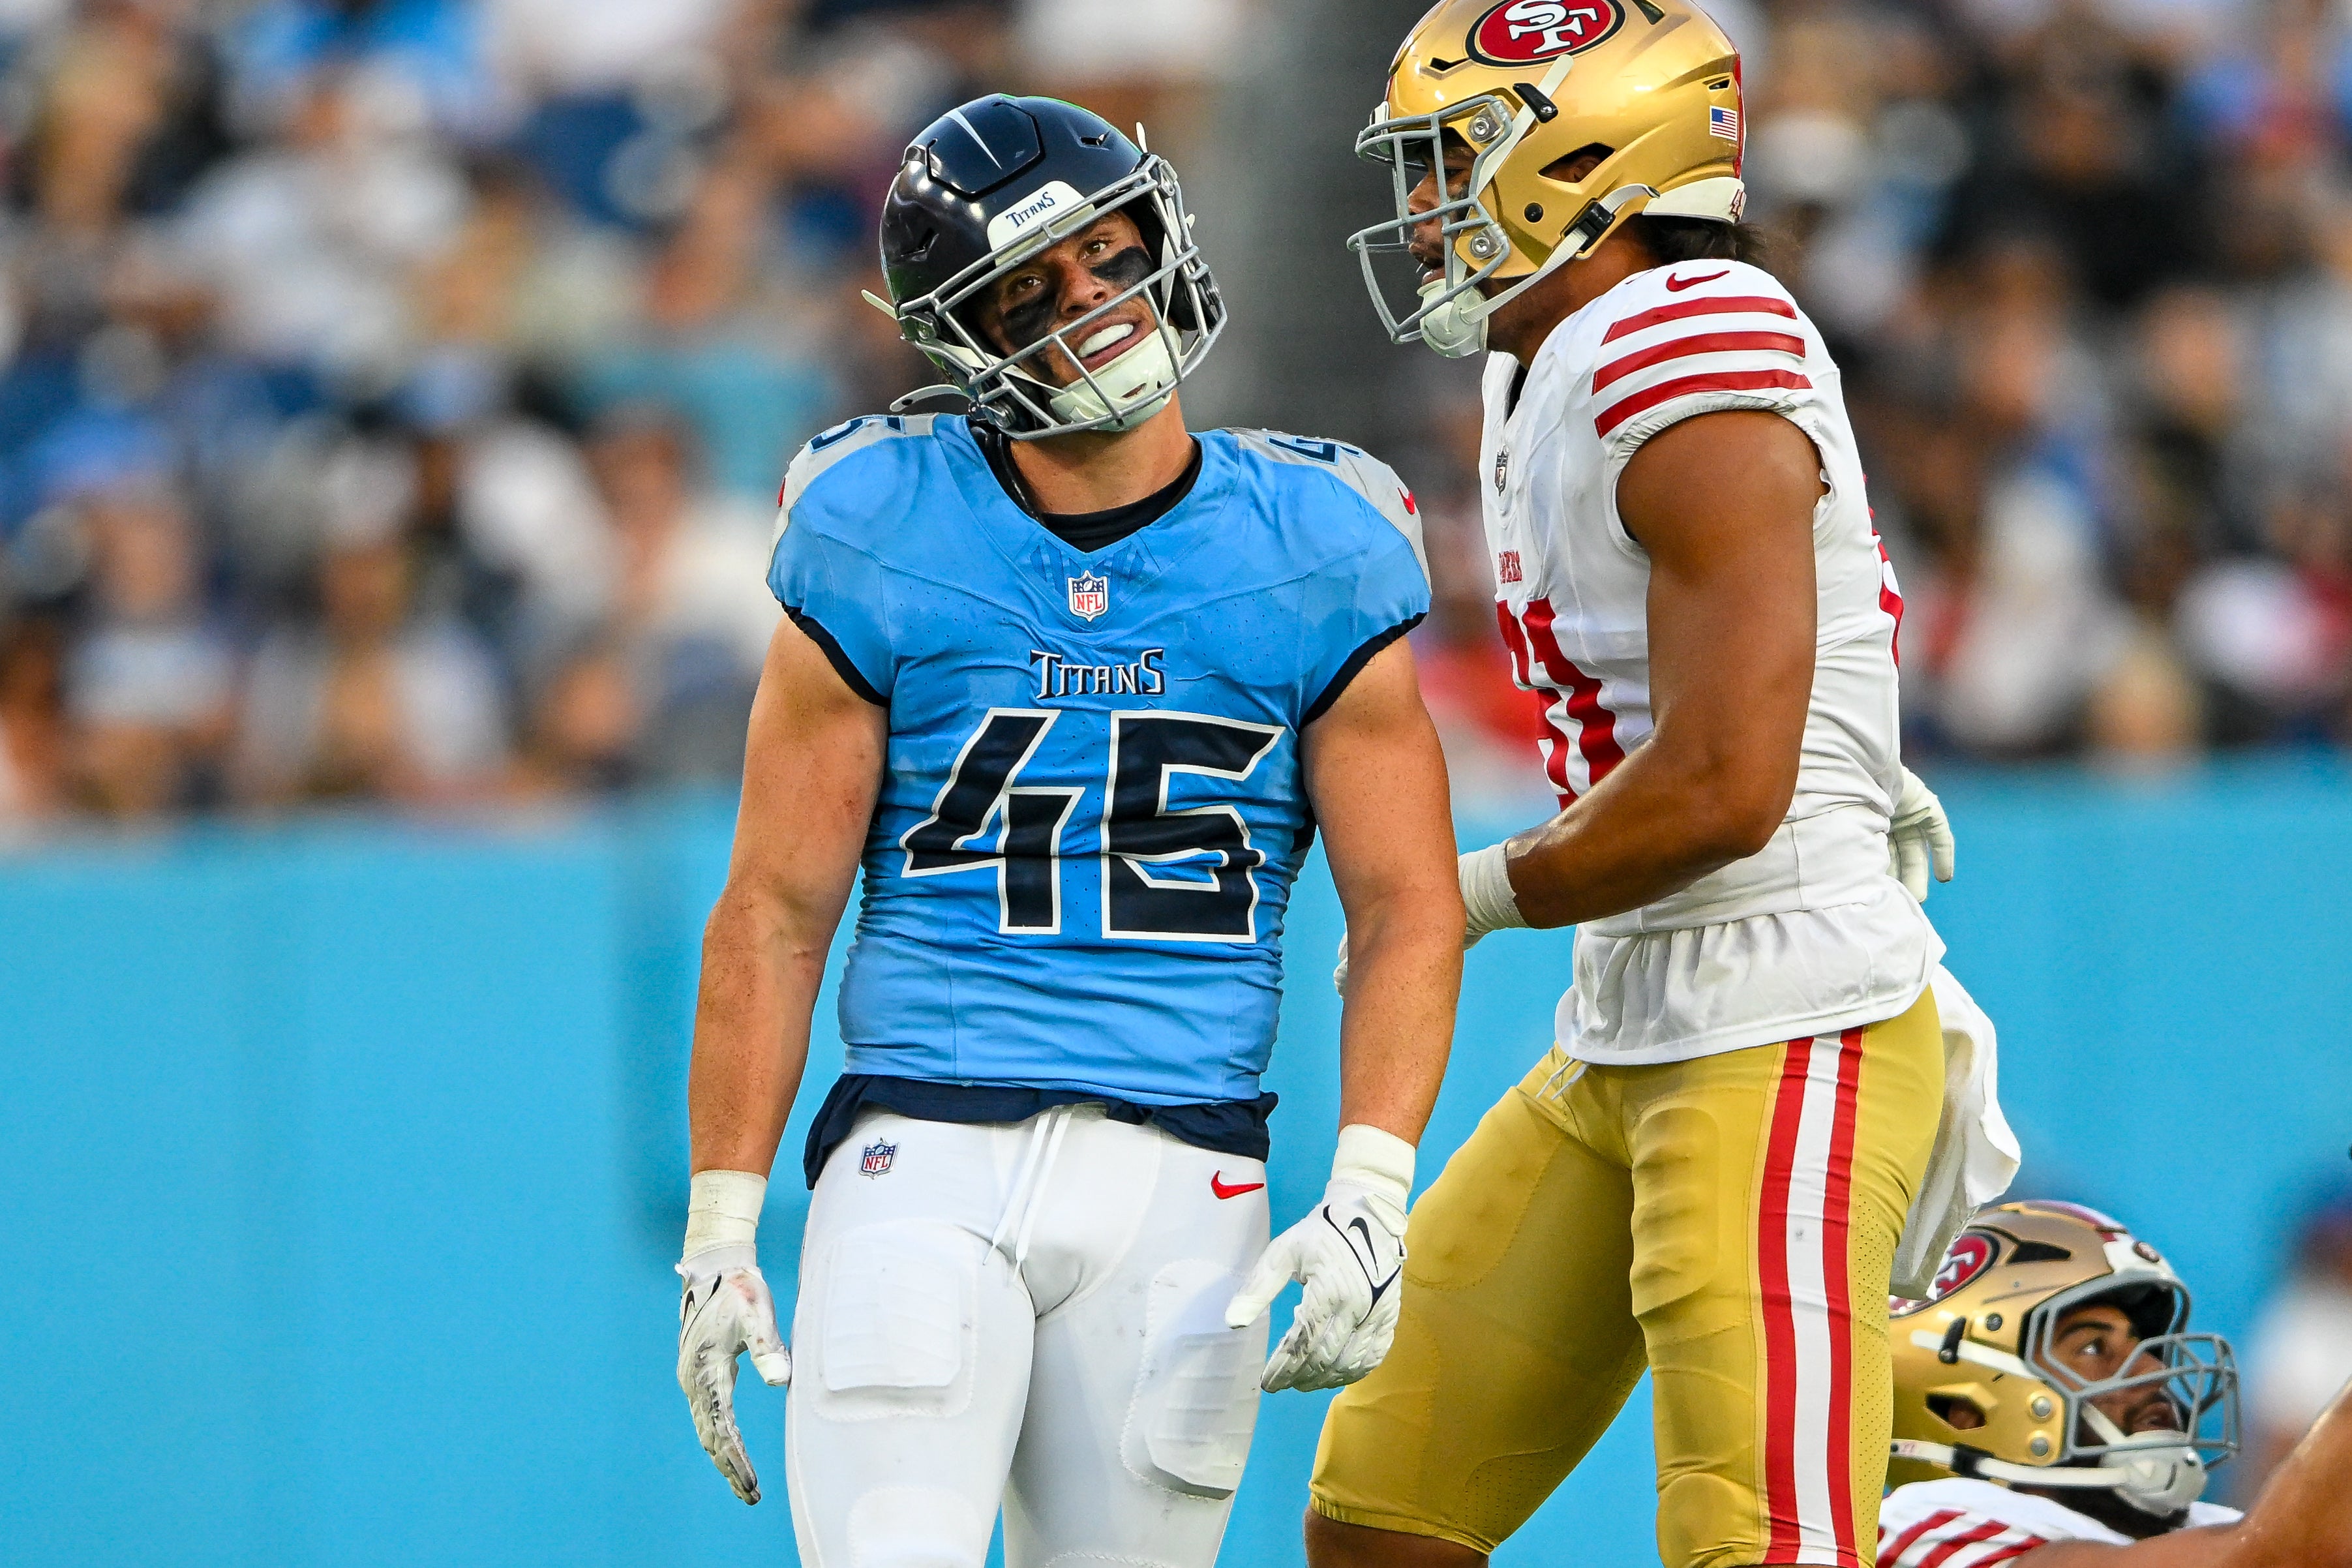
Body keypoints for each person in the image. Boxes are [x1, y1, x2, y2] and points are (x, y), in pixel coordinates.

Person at [672, 93, 1466, 1568]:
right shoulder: (877, 519)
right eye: (1030, 291)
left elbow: (1407, 903)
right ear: (960, 339)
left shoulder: (1324, 537)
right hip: (920, 1144)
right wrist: (722, 1226)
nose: (1092, 306)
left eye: (1107, 255)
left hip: (1190, 1170)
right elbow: (774, 906)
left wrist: (1371, 1189)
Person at [1308, 4, 1995, 1565]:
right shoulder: (1548, 351)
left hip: (1785, 1005)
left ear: (1584, 163)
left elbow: (1720, 788)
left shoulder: (1693, 342)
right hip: (1637, 1006)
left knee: (1757, 1542)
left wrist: (1464, 895)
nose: (1421, 206)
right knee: (1383, 1511)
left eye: (1450, 160)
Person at [1880, 1199, 2352, 1565]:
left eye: (2147, 1346)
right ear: (1965, 1410)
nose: (2151, 1371)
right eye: (2092, 1348)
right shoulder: (1927, 1524)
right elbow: (2269, 1559)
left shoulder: (2207, 1527)